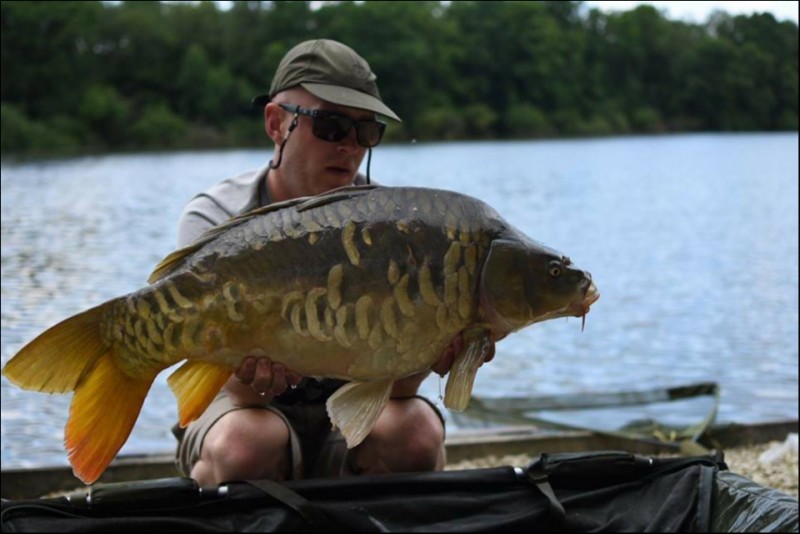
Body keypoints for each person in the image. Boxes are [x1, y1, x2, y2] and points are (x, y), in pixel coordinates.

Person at [172, 39, 493, 486]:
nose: (350, 147)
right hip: (246, 407)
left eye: (367, 131)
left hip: (351, 414)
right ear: (276, 123)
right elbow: (231, 390)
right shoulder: (217, 218)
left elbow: (398, 390)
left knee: (415, 432)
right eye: (332, 126)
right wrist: (257, 373)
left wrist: (431, 349)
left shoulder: (397, 230)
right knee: (247, 443)